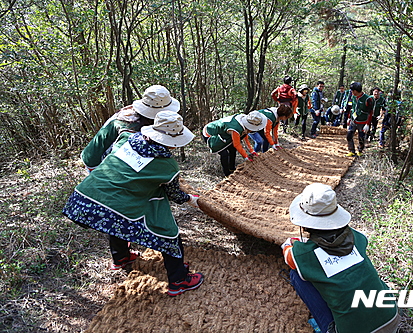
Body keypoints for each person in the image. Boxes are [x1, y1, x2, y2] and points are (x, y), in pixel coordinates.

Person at [63, 111, 204, 297]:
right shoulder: (167, 165)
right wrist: (191, 199)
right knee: (169, 233)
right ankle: (179, 281)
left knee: (117, 223)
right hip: (112, 202)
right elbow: (174, 194)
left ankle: (121, 257)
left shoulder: (131, 139)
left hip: (83, 198)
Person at [282, 183, 401, 333]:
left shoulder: (304, 255)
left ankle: (326, 326)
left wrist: (291, 244)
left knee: (297, 275)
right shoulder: (357, 237)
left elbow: (288, 255)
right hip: (391, 317)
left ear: (305, 224)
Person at [81, 85, 179, 172]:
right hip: (96, 162)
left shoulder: (130, 112)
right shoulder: (129, 130)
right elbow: (119, 163)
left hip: (94, 155)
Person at [203, 111, 266, 176]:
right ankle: (227, 174)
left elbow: (245, 138)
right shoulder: (236, 128)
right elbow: (237, 144)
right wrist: (246, 156)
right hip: (211, 133)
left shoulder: (245, 121)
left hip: (224, 133)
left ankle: (232, 168)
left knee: (232, 150)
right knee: (224, 154)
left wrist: (251, 150)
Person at [346, 82, 374, 157]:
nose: (351, 92)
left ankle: (360, 151)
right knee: (349, 135)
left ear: (356, 90)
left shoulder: (367, 99)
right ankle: (352, 151)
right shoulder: (353, 97)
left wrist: (368, 124)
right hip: (353, 120)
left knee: (361, 138)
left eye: (352, 90)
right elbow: (352, 107)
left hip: (363, 122)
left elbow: (370, 112)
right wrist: (349, 117)